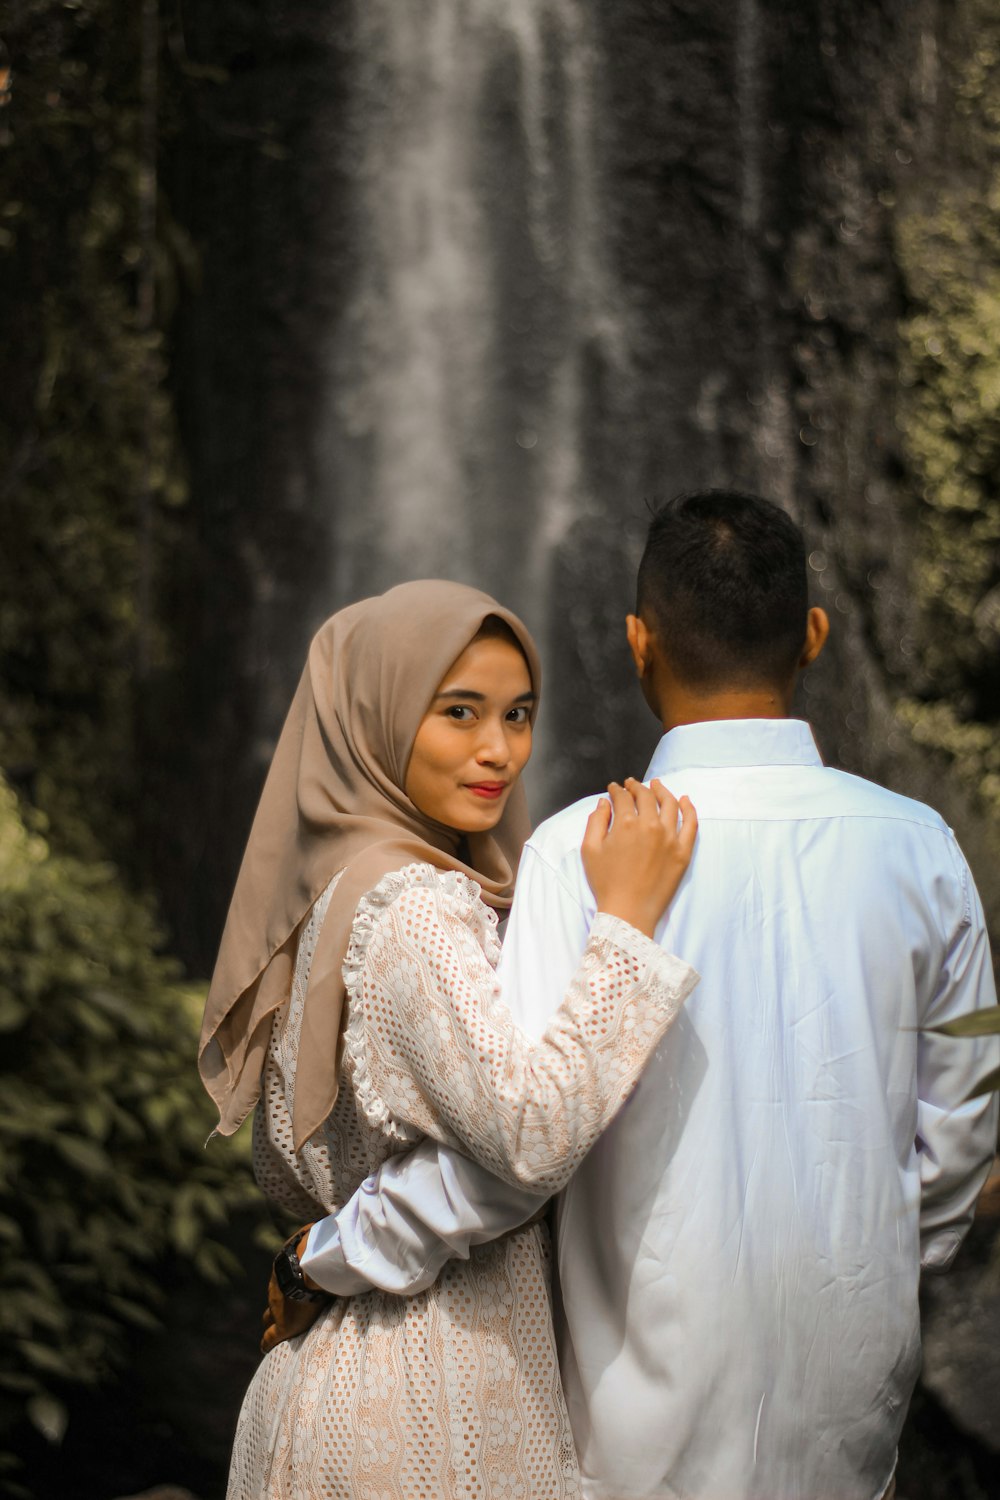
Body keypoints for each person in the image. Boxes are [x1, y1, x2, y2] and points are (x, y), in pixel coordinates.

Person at [298, 494, 1000, 1500]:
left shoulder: (575, 852)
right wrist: (865, 1260)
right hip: (851, 1417)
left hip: (627, 1435)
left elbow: (509, 1161)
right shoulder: (920, 849)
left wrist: (328, 1255)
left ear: (637, 642)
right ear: (812, 636)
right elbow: (958, 1141)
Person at [198, 579, 700, 1499]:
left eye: (518, 714)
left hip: (347, 1377)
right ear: (377, 717)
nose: (498, 751)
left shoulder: (345, 886)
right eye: (458, 713)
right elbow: (530, 1136)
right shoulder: (417, 909)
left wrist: (315, 1259)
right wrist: (625, 925)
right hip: (431, 1400)